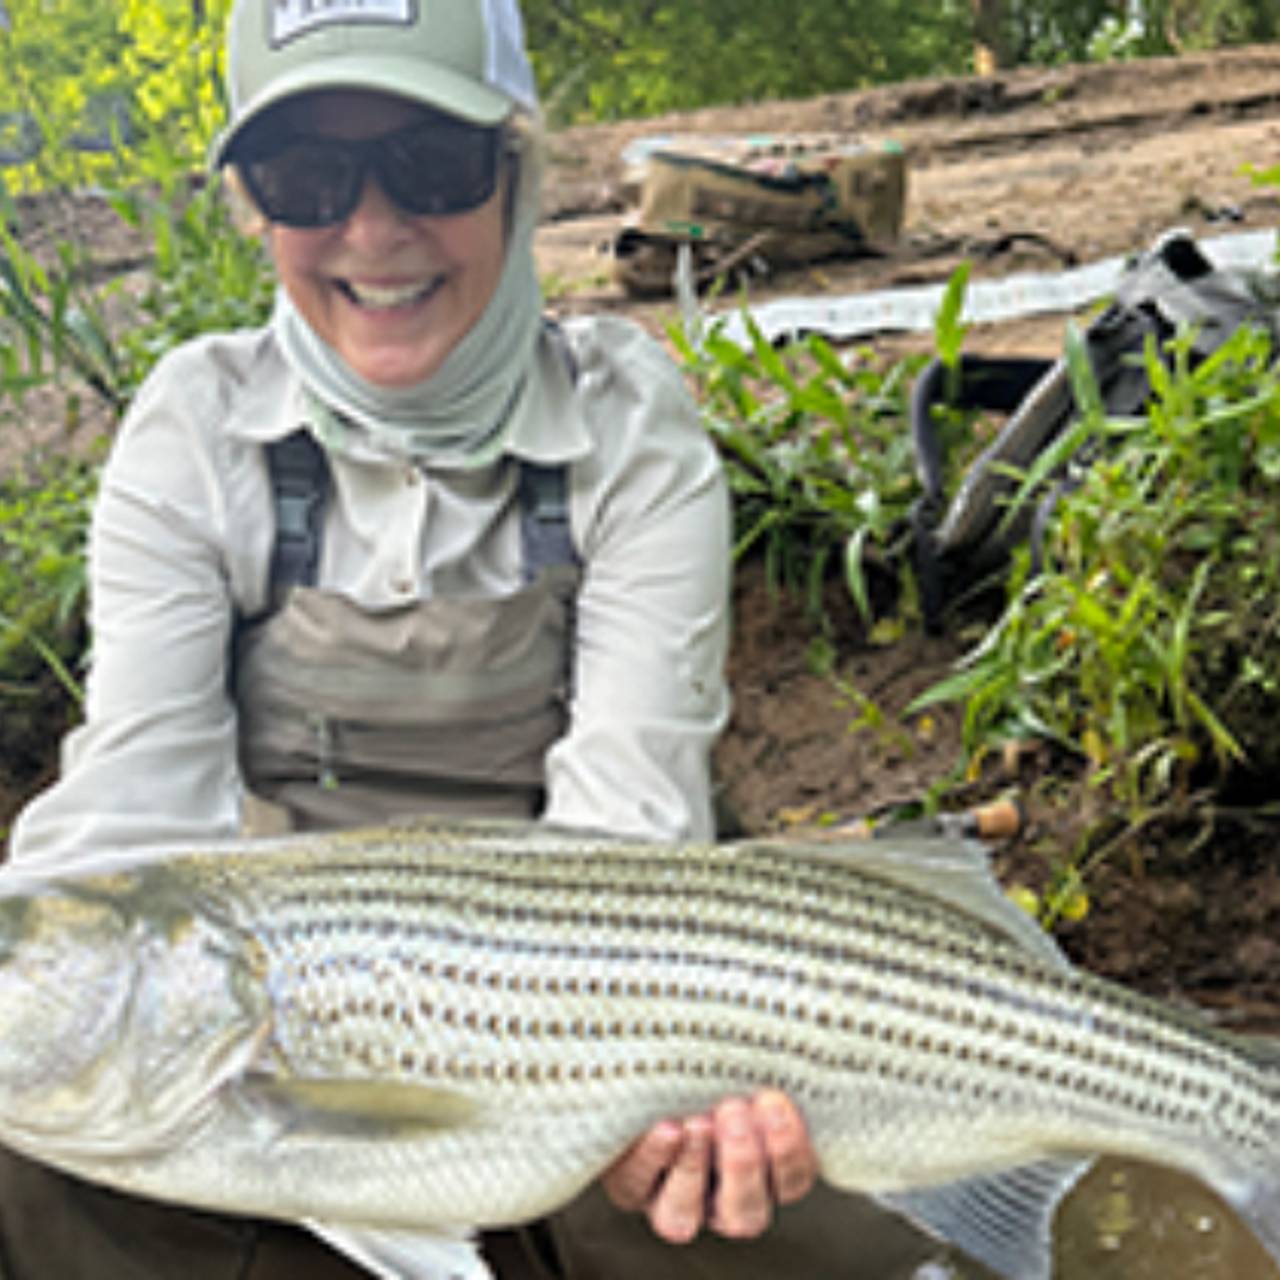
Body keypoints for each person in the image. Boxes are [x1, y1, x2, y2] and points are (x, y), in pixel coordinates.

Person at [0, 1, 943, 1276]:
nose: (373, 231)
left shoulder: (624, 428)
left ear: (515, 175)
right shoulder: (196, 429)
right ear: (253, 206)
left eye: (433, 165)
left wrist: (599, 1081)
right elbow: (132, 814)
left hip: (617, 974)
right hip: (287, 1008)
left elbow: (631, 835)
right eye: (306, 178)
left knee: (782, 1196)